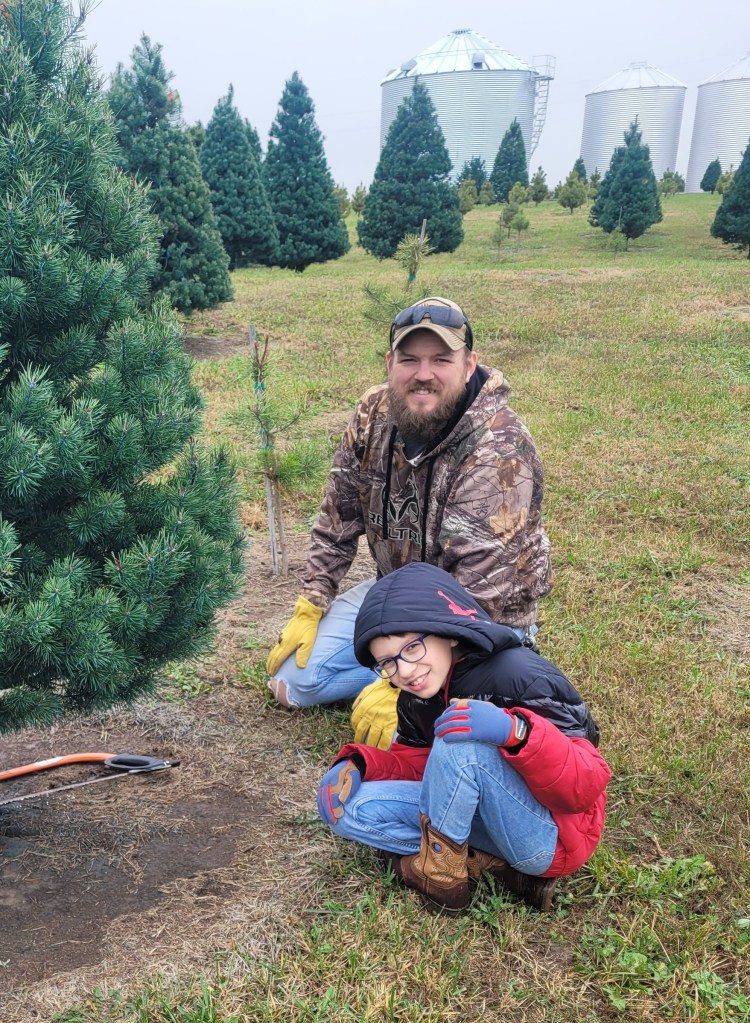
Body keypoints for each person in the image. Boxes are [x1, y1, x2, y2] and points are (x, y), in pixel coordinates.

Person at [266, 296, 553, 747]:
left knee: (414, 733)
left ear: (468, 363)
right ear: (390, 361)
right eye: (410, 359)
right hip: (396, 595)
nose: (423, 374)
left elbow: (482, 594)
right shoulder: (372, 413)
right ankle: (404, 679)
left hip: (479, 616)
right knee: (292, 683)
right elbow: (337, 517)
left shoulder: (499, 447)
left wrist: (395, 684)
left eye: (441, 359)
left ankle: (489, 669)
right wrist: (312, 601)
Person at [316, 563, 610, 914]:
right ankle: (494, 867)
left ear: (449, 632)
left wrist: (515, 733)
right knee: (348, 808)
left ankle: (444, 883)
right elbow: (420, 767)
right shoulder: (416, 696)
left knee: (459, 740)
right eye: (388, 663)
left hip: (550, 837)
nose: (404, 671)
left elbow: (586, 784)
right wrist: (360, 763)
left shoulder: (520, 675)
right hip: (477, 818)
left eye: (411, 648)